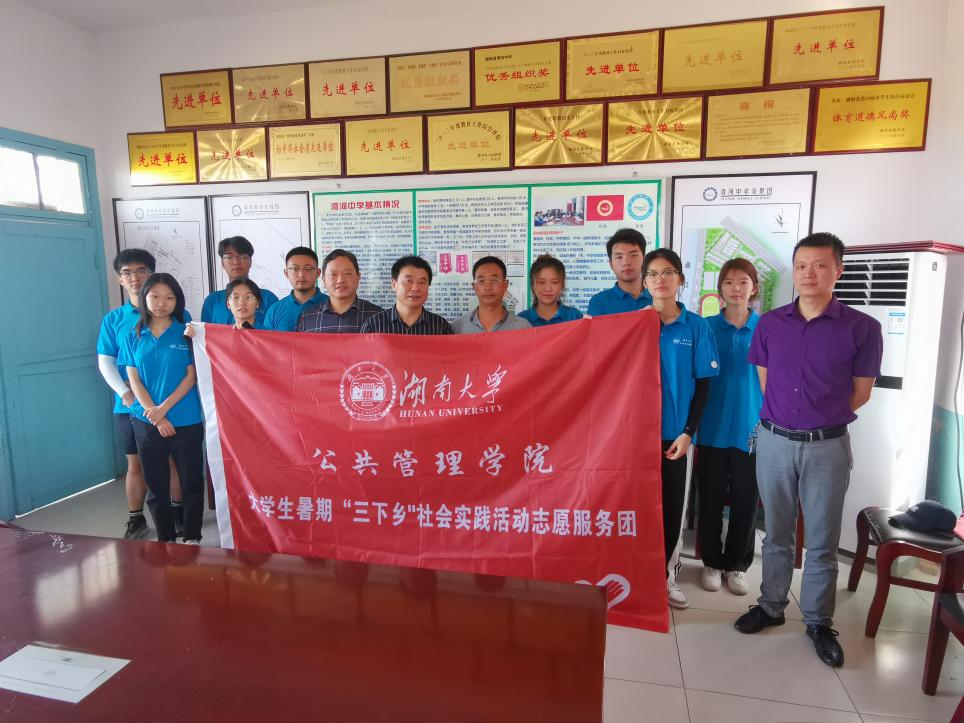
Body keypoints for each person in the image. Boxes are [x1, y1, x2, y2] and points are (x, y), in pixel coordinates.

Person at [735, 232, 882, 668]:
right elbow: (766, 381)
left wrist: (818, 417)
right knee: (776, 532)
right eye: (801, 266)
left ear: (838, 271)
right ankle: (771, 605)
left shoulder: (862, 328)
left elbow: (861, 393)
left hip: (827, 447)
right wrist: (788, 421)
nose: (808, 274)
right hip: (775, 442)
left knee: (820, 540)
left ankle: (818, 621)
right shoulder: (770, 323)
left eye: (819, 266)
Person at [643, 248, 720, 610]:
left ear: (680, 279)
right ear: (645, 282)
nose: (661, 279)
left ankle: (666, 576)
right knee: (639, 508)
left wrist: (689, 431)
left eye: (668, 272)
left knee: (673, 508)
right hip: (636, 436)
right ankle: (638, 573)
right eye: (654, 274)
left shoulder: (696, 326)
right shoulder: (634, 323)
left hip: (676, 436)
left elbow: (704, 385)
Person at [97, 249, 186, 539]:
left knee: (172, 461)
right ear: (120, 279)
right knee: (135, 464)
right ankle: (136, 518)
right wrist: (125, 394)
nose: (134, 277)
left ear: (152, 273)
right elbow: (106, 361)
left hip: (171, 404)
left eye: (141, 271)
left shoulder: (178, 315)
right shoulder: (114, 319)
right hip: (131, 408)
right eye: (127, 273)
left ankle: (177, 513)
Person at [119, 273, 205, 544]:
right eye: (154, 296)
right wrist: (156, 416)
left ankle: (191, 537)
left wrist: (164, 409)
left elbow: (191, 377)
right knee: (156, 486)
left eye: (169, 297)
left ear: (177, 301)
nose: (161, 303)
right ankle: (165, 540)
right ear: (144, 298)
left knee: (191, 482)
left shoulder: (187, 333)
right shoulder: (133, 334)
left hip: (185, 419)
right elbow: (133, 378)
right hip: (146, 421)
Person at [697, 258, 764, 597]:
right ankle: (711, 561)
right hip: (711, 426)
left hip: (753, 429)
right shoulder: (705, 327)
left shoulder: (766, 328)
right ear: (720, 288)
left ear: (754, 288)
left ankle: (737, 563)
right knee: (709, 498)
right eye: (729, 282)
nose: (736, 289)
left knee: (745, 500)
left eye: (743, 282)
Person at [360, 256, 453, 335]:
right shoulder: (373, 326)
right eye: (409, 281)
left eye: (422, 282)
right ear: (394, 284)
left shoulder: (441, 327)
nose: (415, 288)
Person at [297, 249, 382, 333]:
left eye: (347, 274)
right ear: (324, 280)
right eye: (333, 274)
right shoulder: (307, 318)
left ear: (358, 277)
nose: (340, 280)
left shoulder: (378, 316)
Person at [201, 236, 279, 326]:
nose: (236, 262)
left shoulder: (268, 298)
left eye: (242, 256)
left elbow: (276, 333)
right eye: (229, 257)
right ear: (222, 263)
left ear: (250, 262)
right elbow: (205, 333)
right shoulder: (212, 301)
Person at [452, 256, 531, 333]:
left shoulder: (524, 328)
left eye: (494, 280)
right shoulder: (457, 328)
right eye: (481, 281)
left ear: (505, 285)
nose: (488, 287)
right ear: (474, 286)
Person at [586, 228, 652, 316]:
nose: (626, 262)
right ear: (611, 264)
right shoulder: (599, 302)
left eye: (633, 255)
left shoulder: (658, 297)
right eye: (619, 257)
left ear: (644, 260)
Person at [262, 247, 328, 332]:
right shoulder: (274, 311)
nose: (301, 275)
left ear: (318, 273)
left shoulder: (332, 305)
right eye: (295, 269)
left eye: (308, 269)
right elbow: (266, 340)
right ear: (286, 273)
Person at [518, 254, 583, 327]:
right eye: (541, 282)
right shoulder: (521, 320)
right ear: (533, 285)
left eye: (554, 282)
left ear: (562, 285)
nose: (548, 289)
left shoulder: (574, 316)